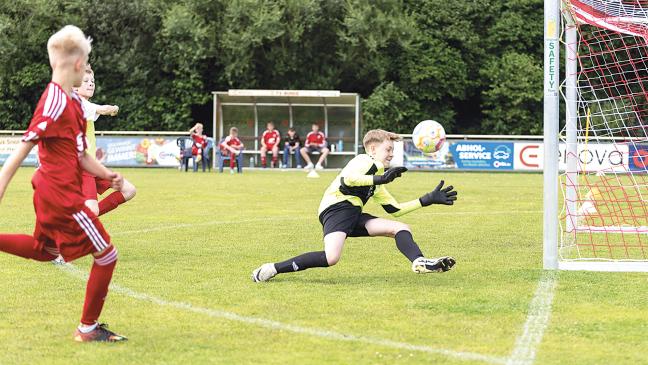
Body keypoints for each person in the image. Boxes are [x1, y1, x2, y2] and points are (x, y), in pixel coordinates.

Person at [0, 25, 127, 342]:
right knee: (107, 255)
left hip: (49, 191)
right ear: (76, 64)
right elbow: (25, 145)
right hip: (62, 197)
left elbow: (81, 154)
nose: (85, 69)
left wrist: (106, 174)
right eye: (84, 62)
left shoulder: (71, 102)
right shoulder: (55, 100)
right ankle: (87, 329)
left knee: (43, 251)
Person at [252, 129, 458, 282]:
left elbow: (395, 210)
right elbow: (348, 180)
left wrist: (426, 200)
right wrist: (381, 179)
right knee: (331, 258)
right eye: (388, 149)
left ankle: (419, 262)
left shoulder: (375, 177)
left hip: (352, 213)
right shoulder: (363, 160)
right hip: (337, 208)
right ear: (373, 149)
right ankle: (273, 268)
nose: (391, 154)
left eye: (392, 150)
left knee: (400, 228)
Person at [76, 64, 136, 218]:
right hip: (82, 166)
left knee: (129, 190)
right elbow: (103, 109)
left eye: (93, 81)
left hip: (93, 165)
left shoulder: (85, 105)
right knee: (92, 210)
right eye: (85, 81)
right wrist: (114, 108)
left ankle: (82, 223)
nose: (91, 83)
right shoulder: (77, 103)